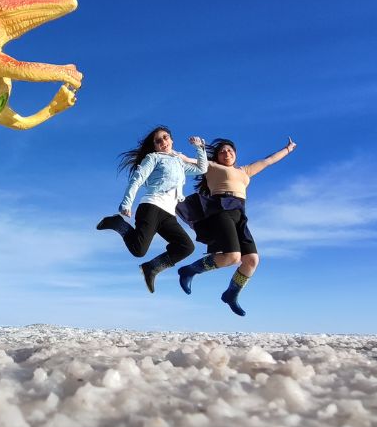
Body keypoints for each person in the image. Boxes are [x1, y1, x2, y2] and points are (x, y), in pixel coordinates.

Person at [176, 136, 297, 315]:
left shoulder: (244, 171)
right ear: (217, 156)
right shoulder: (211, 166)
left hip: (239, 213)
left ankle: (231, 294)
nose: (227, 153)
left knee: (251, 260)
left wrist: (288, 149)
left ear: (235, 154)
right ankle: (190, 270)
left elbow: (268, 160)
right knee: (232, 257)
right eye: (222, 151)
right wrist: (173, 152)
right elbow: (186, 159)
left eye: (230, 150)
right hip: (221, 209)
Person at [97, 126, 207, 292]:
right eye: (158, 140)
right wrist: (127, 202)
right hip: (152, 206)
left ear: (171, 140)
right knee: (138, 250)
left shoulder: (179, 162)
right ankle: (118, 223)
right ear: (154, 145)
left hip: (169, 214)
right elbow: (137, 178)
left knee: (186, 247)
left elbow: (202, 168)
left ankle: (151, 268)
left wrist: (199, 148)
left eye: (165, 137)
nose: (163, 141)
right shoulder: (153, 158)